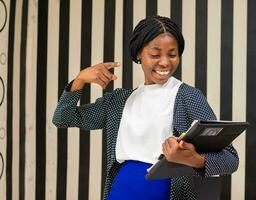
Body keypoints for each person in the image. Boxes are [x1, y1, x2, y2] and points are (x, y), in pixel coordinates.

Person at [52, 15, 239, 200]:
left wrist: (191, 160)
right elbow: (62, 118)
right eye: (155, 55)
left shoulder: (188, 97)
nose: (165, 62)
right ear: (138, 54)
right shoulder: (119, 101)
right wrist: (79, 80)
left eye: (172, 54)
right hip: (120, 192)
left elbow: (230, 160)